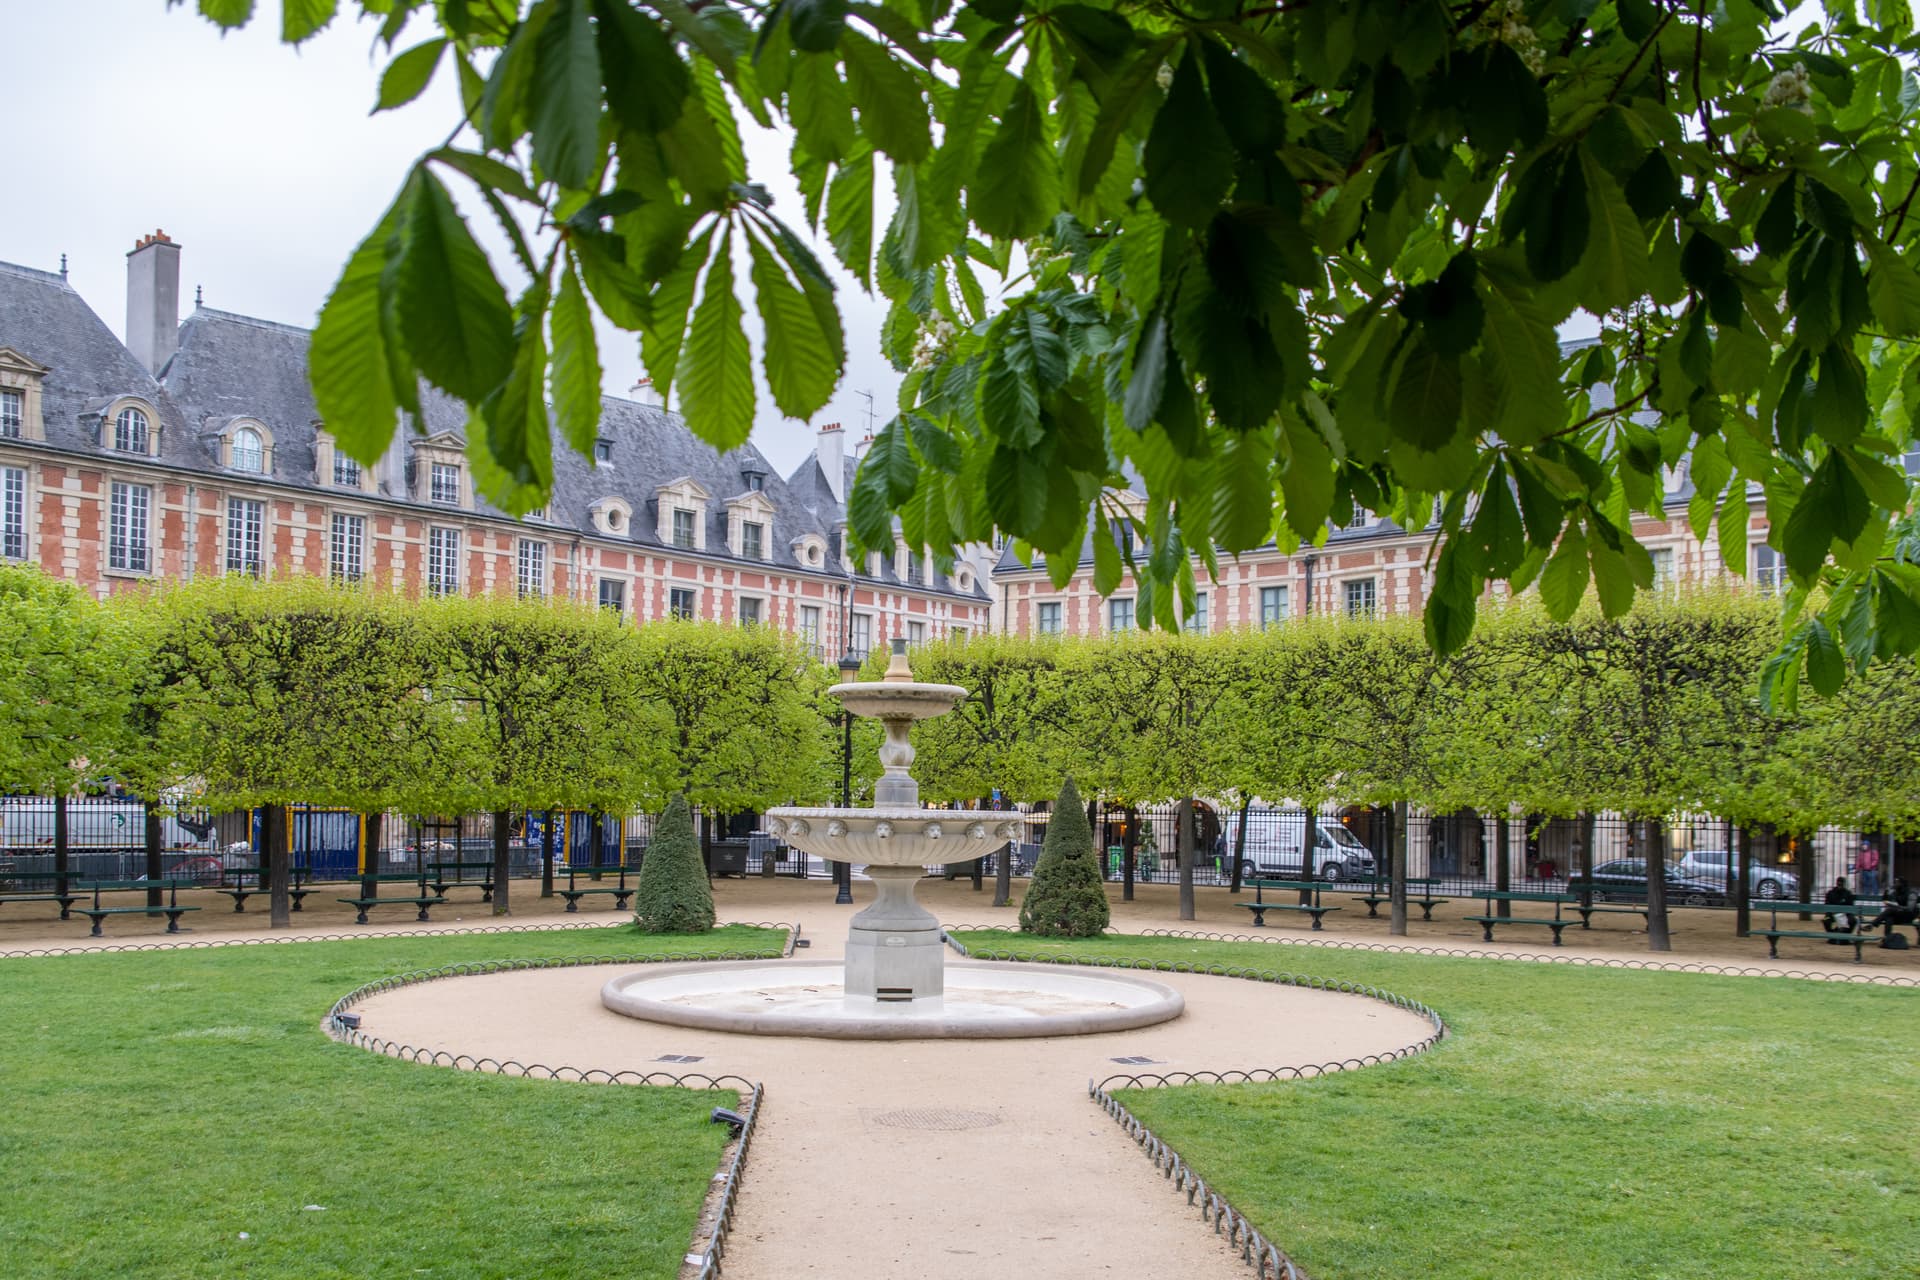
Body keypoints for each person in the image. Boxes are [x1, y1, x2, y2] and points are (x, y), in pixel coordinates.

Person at [1874, 878, 1919, 948]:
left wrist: (1897, 907)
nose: (1895, 884)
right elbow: (1886, 900)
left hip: (1910, 915)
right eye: (1895, 882)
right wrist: (1886, 892)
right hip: (1900, 914)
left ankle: (1873, 924)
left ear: (1903, 884)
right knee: (1889, 918)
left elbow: (1910, 909)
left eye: (1897, 883)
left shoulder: (1911, 893)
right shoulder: (1896, 892)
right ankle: (1887, 939)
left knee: (1890, 910)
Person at [1822, 876, 1857, 940]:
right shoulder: (1831, 893)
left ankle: (1847, 935)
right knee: (1826, 919)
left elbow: (1851, 906)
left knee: (1853, 920)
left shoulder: (1847, 893)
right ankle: (1831, 934)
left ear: (1844, 884)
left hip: (1845, 914)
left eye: (1841, 884)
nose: (1840, 885)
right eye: (1839, 884)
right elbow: (1827, 905)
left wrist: (1845, 912)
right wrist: (1832, 912)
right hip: (1832, 913)